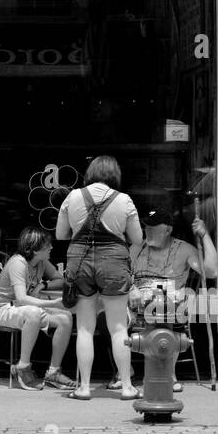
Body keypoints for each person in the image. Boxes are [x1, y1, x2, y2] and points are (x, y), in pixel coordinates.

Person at [55, 155, 144, 400]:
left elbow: (61, 234)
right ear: (115, 175)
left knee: (84, 328)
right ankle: (126, 386)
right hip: (113, 261)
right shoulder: (123, 199)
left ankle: (84, 388)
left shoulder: (73, 197)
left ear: (90, 173)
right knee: (117, 327)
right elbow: (137, 239)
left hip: (79, 260)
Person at [131, 206, 218, 392]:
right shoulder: (137, 248)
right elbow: (123, 276)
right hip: (136, 307)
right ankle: (124, 373)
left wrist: (204, 236)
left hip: (168, 307)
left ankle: (167, 374)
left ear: (168, 230)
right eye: (146, 226)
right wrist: (131, 289)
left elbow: (211, 270)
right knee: (107, 316)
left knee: (164, 308)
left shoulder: (183, 249)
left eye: (153, 227)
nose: (148, 231)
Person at [0, 227, 77, 391]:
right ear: (35, 249)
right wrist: (52, 304)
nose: (51, 248)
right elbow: (22, 298)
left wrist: (43, 284)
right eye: (47, 246)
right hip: (5, 310)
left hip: (25, 309)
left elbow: (60, 279)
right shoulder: (18, 263)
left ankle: (54, 372)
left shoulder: (41, 262)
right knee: (33, 312)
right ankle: (22, 367)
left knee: (65, 318)